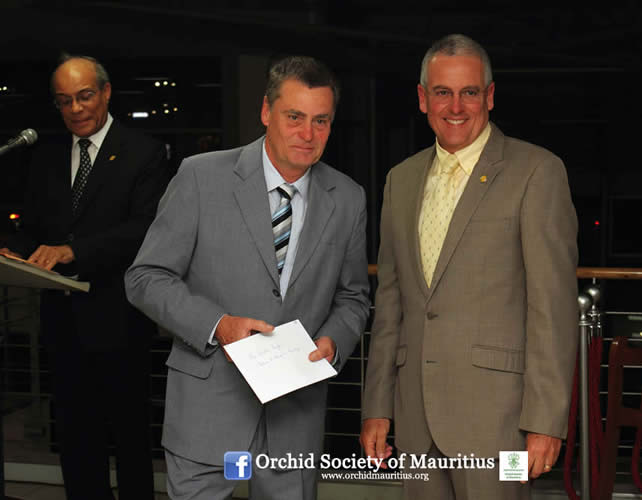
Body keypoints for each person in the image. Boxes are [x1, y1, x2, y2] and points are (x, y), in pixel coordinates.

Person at [124, 55, 369, 500]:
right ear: (266, 112)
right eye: (294, 117)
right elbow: (146, 277)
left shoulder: (349, 198)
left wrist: (334, 341)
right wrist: (218, 325)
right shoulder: (200, 176)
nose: (308, 134)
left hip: (294, 418)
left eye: (320, 121)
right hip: (207, 411)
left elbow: (353, 297)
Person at [360, 34, 579, 499]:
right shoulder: (401, 180)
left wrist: (545, 421)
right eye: (443, 92)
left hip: (500, 423)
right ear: (423, 98)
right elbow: (391, 303)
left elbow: (553, 308)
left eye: (469, 92)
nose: (456, 107)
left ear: (490, 96)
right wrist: (377, 407)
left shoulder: (537, 171)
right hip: (416, 419)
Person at [0, 54, 171, 499]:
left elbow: (145, 228)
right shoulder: (47, 155)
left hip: (120, 319)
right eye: (64, 101)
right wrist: (14, 250)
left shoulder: (144, 152)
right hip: (61, 322)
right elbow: (34, 227)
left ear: (106, 92)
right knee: (76, 438)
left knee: (130, 437)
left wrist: (74, 251)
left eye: (84, 96)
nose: (75, 109)